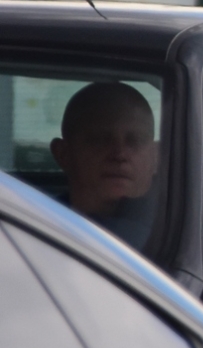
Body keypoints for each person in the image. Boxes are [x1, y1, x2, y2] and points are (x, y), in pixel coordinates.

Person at [49, 80, 160, 247]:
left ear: (155, 157)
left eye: (134, 141)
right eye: (101, 140)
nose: (120, 154)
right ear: (64, 154)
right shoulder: (33, 228)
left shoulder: (179, 235)